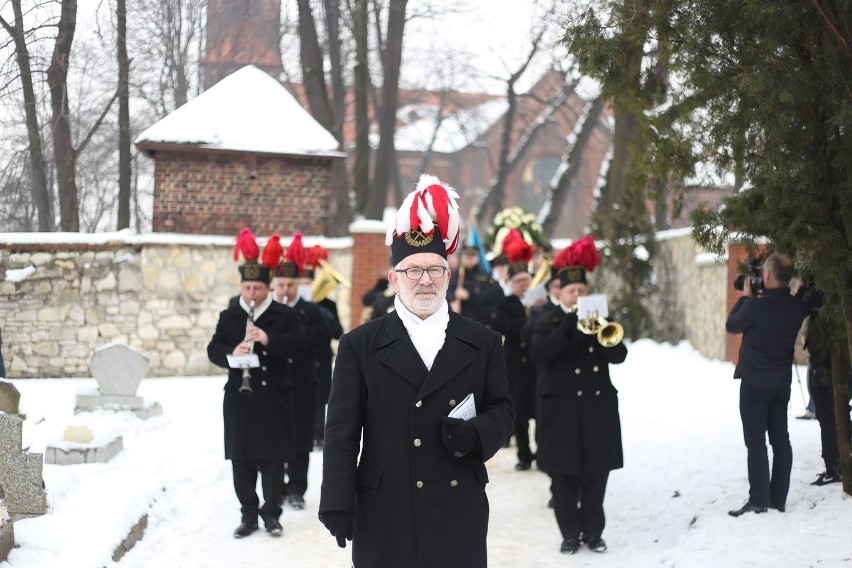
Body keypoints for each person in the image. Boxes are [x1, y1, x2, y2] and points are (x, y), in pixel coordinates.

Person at [318, 175, 514, 568]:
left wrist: (476, 434)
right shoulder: (359, 345)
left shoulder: (483, 341)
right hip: (385, 505)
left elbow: (504, 411)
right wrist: (337, 500)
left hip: (457, 503)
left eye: (435, 269)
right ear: (393, 279)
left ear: (448, 275)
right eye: (413, 270)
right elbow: (341, 431)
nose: (425, 280)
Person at [530, 235, 627, 554]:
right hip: (561, 414)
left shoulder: (601, 321)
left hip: (596, 411)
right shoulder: (546, 321)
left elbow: (619, 355)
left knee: (596, 476)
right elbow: (541, 355)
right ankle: (570, 533)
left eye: (583, 291)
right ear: (560, 292)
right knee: (564, 478)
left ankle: (594, 533)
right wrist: (570, 325)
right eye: (573, 291)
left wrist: (600, 331)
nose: (578, 295)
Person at [206, 228, 300, 539]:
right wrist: (232, 351)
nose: (251, 294)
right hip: (240, 399)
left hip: (273, 398)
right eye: (247, 287)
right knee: (241, 459)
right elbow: (213, 349)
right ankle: (248, 515)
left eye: (257, 288)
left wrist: (268, 339)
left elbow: (299, 345)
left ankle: (271, 514)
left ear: (267, 288)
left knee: (272, 460)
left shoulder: (284, 315)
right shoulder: (230, 315)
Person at [725, 253, 811, 517]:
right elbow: (807, 300)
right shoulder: (797, 307)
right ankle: (778, 498)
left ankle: (759, 500)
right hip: (780, 384)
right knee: (780, 440)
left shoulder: (754, 307)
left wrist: (747, 297)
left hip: (753, 385)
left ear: (769, 276)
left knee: (756, 442)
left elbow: (732, 324)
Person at [270, 232, 332, 511]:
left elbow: (319, 337)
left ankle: (297, 487)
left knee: (301, 439)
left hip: (303, 384)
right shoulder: (269, 311)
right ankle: (277, 487)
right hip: (274, 385)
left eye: (290, 285)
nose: (285, 289)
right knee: (277, 437)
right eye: (281, 284)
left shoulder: (311, 310)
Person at [489, 232, 537, 471]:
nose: (524, 285)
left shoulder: (539, 302)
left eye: (527, 280)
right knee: (519, 413)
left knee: (539, 410)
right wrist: (528, 322)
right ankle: (524, 454)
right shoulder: (505, 304)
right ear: (512, 283)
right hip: (516, 365)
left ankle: (543, 451)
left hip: (536, 365)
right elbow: (503, 326)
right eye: (519, 282)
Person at [802, 290, 850, 486]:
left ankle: (834, 466)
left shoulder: (820, 292)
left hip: (824, 366)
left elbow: (804, 304)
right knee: (833, 414)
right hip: (827, 363)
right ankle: (835, 464)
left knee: (829, 417)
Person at [448, 245, 504, 325]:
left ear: (478, 257)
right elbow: (447, 291)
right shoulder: (456, 274)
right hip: (460, 320)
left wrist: (469, 295)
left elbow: (494, 295)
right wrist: (452, 302)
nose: (469, 259)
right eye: (466, 256)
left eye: (472, 256)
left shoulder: (485, 277)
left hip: (479, 321)